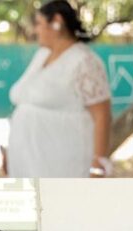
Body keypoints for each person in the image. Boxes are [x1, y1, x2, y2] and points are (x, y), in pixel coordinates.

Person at [7, 0, 112, 178]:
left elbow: (102, 115)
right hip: (28, 164)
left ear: (56, 22)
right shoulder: (42, 55)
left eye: (39, 24)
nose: (35, 31)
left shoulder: (84, 62)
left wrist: (98, 164)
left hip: (64, 167)